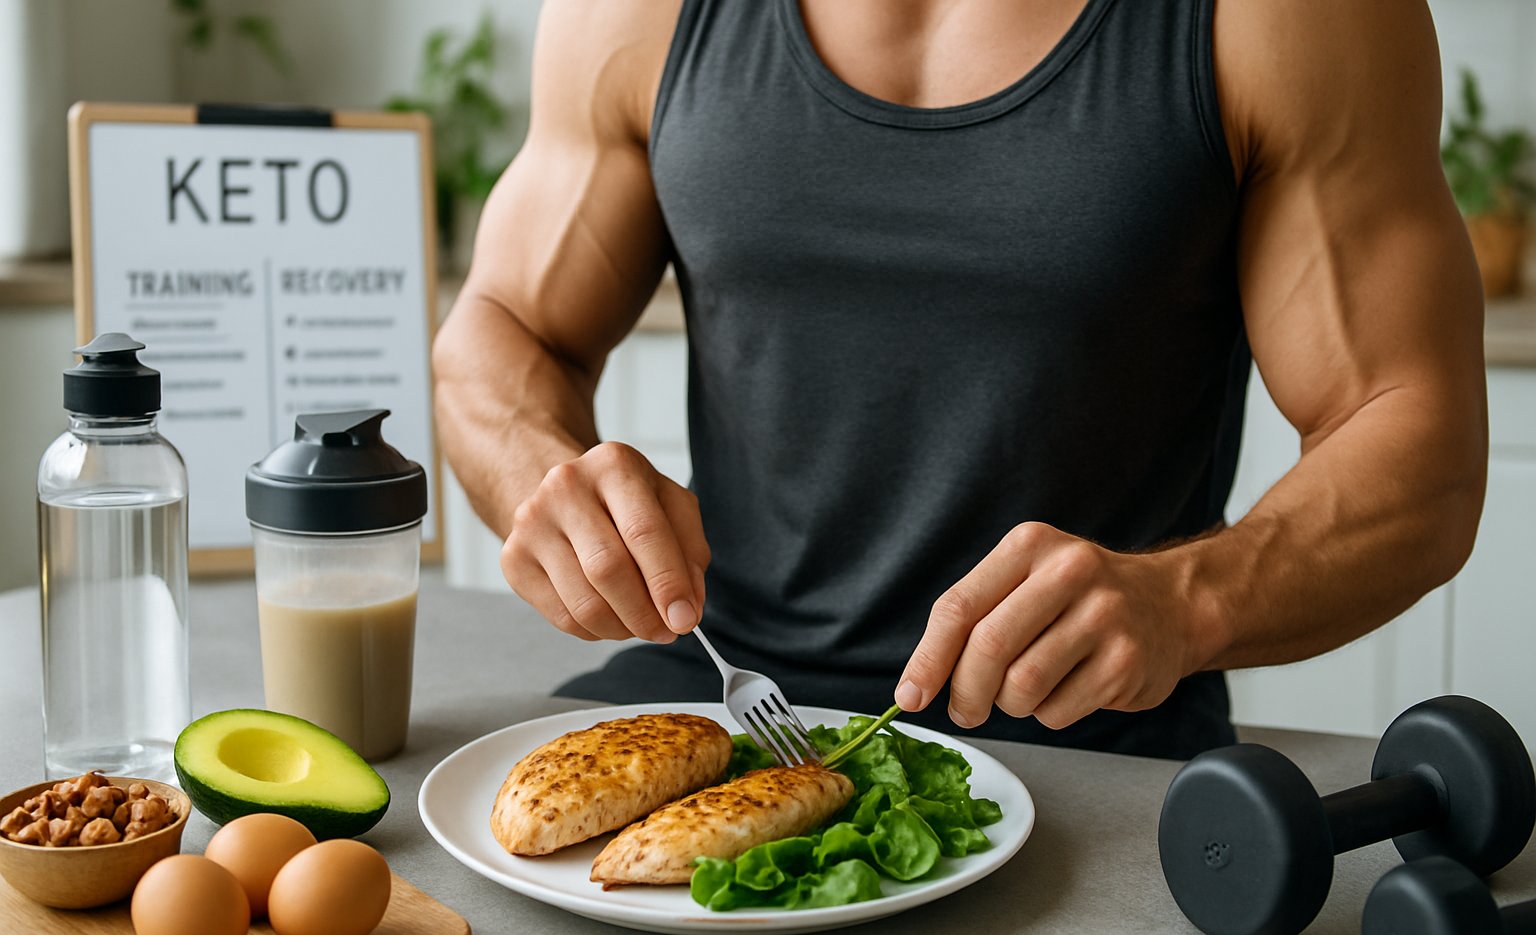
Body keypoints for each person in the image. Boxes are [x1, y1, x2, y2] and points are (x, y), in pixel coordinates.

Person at [433, 0, 1486, 759]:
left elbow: (1414, 441)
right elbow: (503, 328)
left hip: (1087, 743)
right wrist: (543, 471)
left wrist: (1183, 600)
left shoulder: (1295, 18)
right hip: (716, 698)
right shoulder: (640, 12)